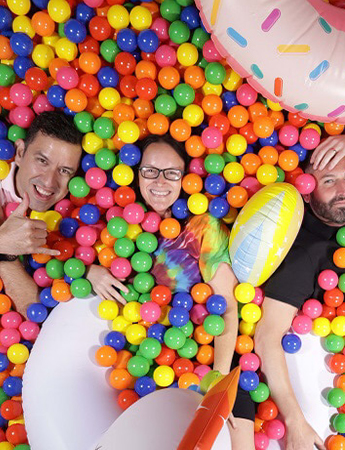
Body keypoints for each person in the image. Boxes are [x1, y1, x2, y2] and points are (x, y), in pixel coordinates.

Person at [231, 125, 345, 450]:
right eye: (328, 182)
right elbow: (266, 335)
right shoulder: (305, 252)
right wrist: (295, 421)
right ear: (306, 190)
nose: (344, 190)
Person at [86, 134, 249, 447]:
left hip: (197, 357)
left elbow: (227, 305)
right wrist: (90, 271)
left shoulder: (201, 227)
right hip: (139, 362)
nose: (160, 182)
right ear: (136, 172)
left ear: (184, 178)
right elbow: (69, 255)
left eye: (171, 172)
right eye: (150, 171)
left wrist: (216, 379)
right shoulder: (120, 225)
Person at [0, 111, 83, 316]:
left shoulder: (78, 216)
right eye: (42, 161)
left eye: (64, 171)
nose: (49, 182)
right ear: (20, 152)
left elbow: (33, 313)